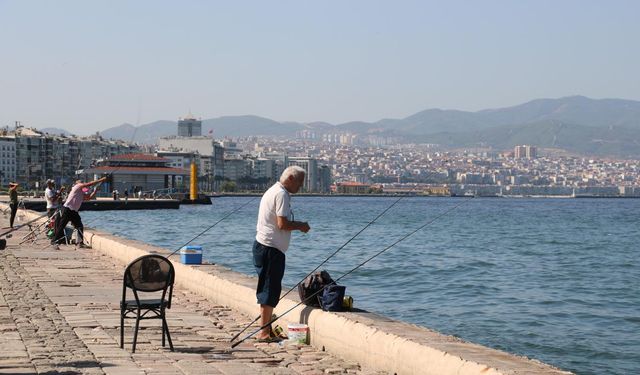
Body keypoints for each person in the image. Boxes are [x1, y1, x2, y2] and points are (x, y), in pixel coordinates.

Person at [253, 166, 310, 342]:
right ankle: (264, 333)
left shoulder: (273, 190)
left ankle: (266, 328)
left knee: (267, 288)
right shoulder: (282, 194)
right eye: (300, 182)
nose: (300, 187)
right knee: (270, 290)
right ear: (291, 178)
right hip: (271, 250)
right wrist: (301, 225)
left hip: (262, 247)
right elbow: (282, 224)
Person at [53, 176, 107, 248]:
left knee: (79, 226)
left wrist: (95, 191)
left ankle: (80, 243)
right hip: (67, 209)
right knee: (62, 226)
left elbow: (88, 197)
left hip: (74, 211)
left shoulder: (81, 192)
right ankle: (55, 241)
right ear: (77, 183)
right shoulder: (76, 186)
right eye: (80, 181)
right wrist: (101, 180)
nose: (81, 182)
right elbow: (89, 184)